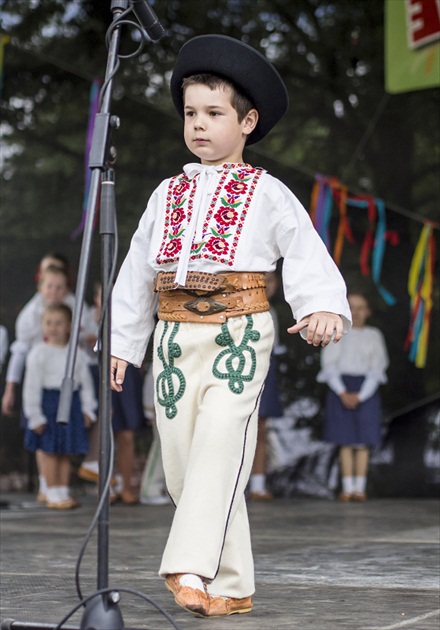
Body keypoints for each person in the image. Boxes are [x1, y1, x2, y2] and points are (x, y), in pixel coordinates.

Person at [109, 35, 352, 618]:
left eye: (214, 114)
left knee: (221, 442)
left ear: (247, 121)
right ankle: (235, 585)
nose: (198, 125)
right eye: (190, 113)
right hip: (171, 337)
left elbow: (306, 252)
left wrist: (320, 307)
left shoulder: (269, 192)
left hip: (236, 336)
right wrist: (123, 341)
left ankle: (188, 564)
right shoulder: (167, 193)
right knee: (184, 462)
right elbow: (137, 269)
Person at [2, 261, 75, 502]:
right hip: (39, 382)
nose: (54, 292)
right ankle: (46, 484)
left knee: (60, 436)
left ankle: (57, 486)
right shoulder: (29, 316)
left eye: (59, 287)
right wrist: (10, 389)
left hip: (64, 380)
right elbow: (19, 353)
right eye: (49, 286)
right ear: (41, 287)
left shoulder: (73, 306)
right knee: (43, 434)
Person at [23, 304, 97, 509]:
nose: (53, 327)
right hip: (49, 405)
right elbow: (31, 387)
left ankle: (63, 490)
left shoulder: (77, 354)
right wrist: (35, 415)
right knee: (49, 451)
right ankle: (51, 491)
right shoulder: (38, 353)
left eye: (58, 323)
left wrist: (87, 409)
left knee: (65, 450)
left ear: (69, 326)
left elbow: (86, 384)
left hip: (70, 403)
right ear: (42, 326)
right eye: (48, 323)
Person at [317, 291, 389, 501]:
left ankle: (360, 489)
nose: (356, 312)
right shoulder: (336, 332)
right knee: (345, 440)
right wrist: (342, 392)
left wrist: (362, 394)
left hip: (367, 389)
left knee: (363, 441)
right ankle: (347, 489)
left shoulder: (374, 335)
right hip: (341, 388)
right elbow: (329, 366)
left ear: (368, 312)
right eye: (352, 307)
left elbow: (378, 368)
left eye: (360, 308)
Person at [248, 270, 283, 501]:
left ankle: (258, 485)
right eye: (261, 280)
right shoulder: (242, 307)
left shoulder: (273, 312)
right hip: (244, 368)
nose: (266, 285)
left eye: (270, 280)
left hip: (266, 371)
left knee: (260, 428)